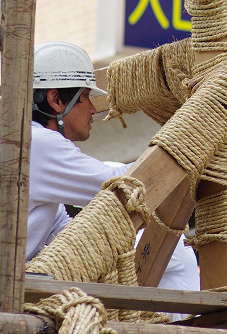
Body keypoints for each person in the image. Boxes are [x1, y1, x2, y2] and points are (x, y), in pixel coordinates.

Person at [27, 41, 199, 293]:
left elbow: (62, 230)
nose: (94, 109)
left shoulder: (27, 143)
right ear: (55, 100)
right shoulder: (39, 144)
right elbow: (123, 184)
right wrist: (194, 135)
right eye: (85, 97)